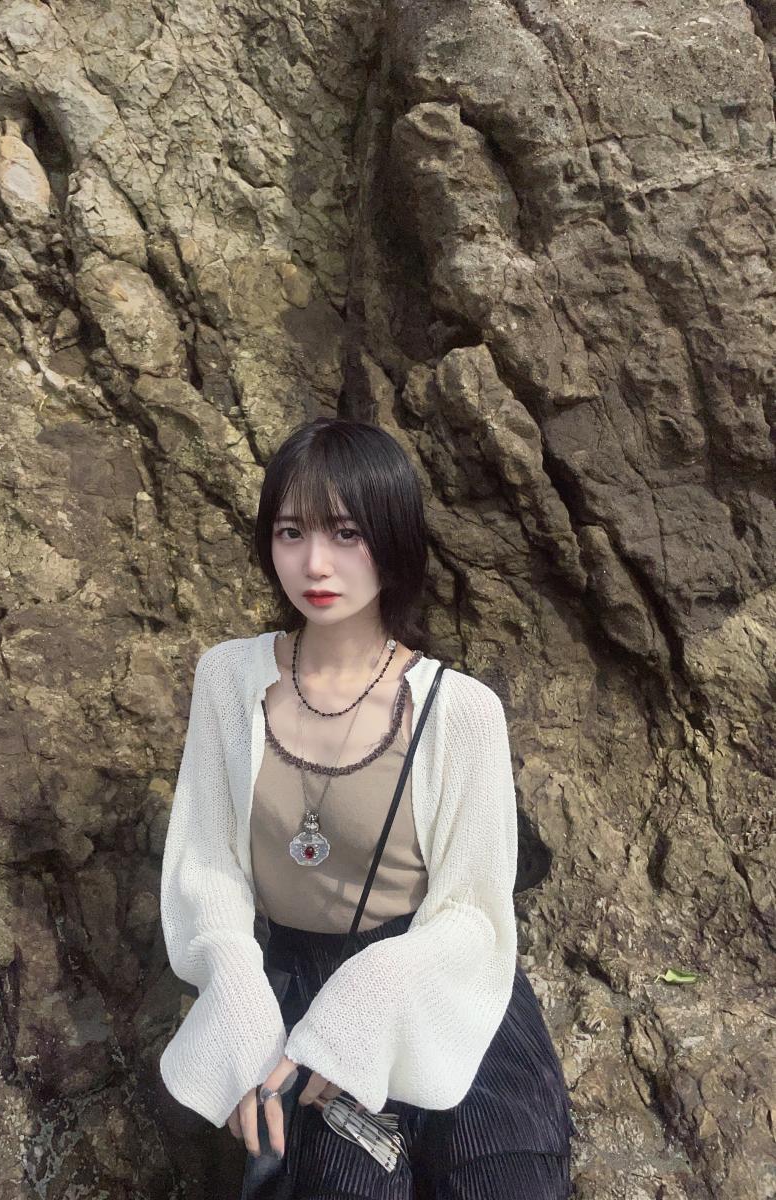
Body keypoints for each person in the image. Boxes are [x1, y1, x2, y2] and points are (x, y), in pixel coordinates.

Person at [159, 417, 576, 1198]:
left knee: (499, 1176)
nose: (315, 563)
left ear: (392, 539)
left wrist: (370, 996)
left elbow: (473, 914)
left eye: (346, 533)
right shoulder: (227, 680)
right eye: (291, 532)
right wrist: (241, 1012)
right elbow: (207, 869)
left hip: (434, 980)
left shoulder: (460, 711)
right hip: (299, 986)